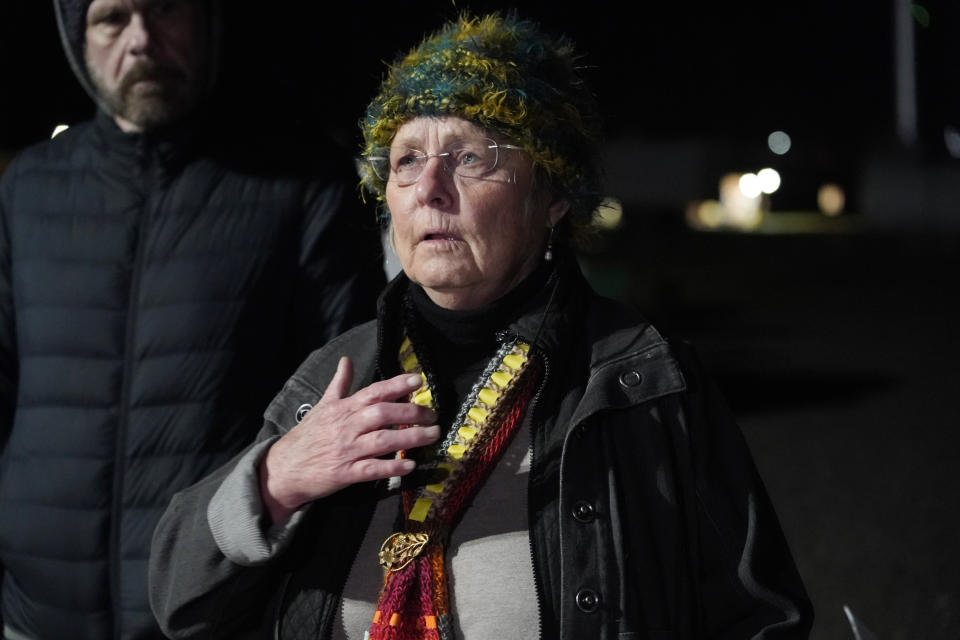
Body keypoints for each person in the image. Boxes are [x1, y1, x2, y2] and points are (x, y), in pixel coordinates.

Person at [149, 13, 813, 640]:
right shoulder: (333, 378)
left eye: (470, 157)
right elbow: (178, 600)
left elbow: (761, 617)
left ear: (552, 196)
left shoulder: (645, 383)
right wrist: (274, 480)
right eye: (407, 159)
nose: (429, 188)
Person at [0, 0, 385, 638]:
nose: (142, 38)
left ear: (207, 22)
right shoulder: (28, 188)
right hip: (35, 616)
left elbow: (338, 394)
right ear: (78, 38)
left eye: (165, 10)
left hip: (216, 611)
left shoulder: (298, 182)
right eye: (112, 18)